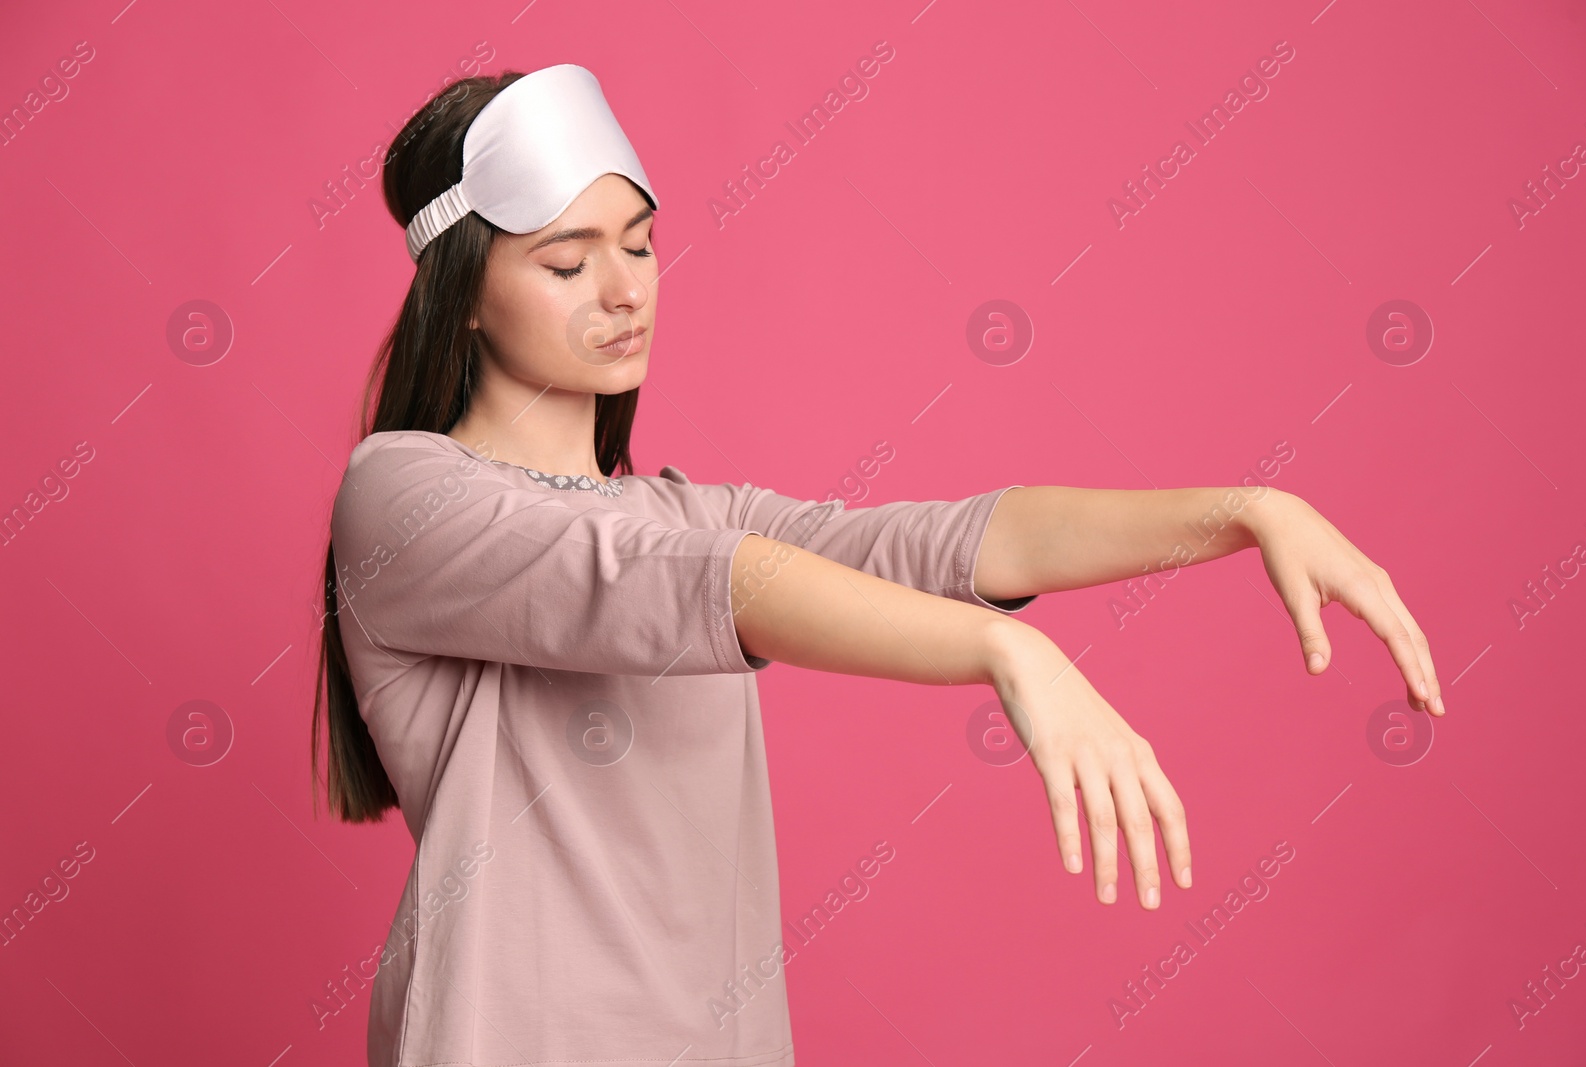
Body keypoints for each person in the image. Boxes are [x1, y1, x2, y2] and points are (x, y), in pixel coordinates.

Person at [310, 65, 1443, 1067]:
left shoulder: (688, 510)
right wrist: (1004, 648)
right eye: (567, 260)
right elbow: (663, 583)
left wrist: (1242, 509)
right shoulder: (404, 496)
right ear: (462, 294)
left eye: (641, 243)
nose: (626, 289)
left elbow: (941, 544)